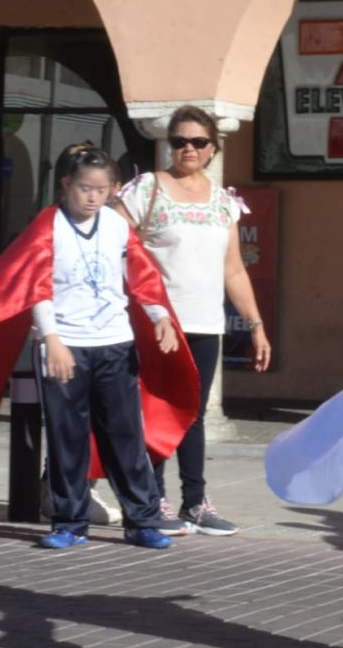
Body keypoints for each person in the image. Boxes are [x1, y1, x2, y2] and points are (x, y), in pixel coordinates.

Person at [114, 105, 270, 537]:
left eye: (198, 142)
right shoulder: (145, 190)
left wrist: (255, 325)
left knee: (194, 415)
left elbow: (234, 269)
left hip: (205, 322)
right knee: (157, 410)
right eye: (179, 141)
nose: (188, 149)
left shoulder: (224, 202)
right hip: (157, 322)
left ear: (213, 149)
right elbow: (118, 248)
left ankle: (196, 502)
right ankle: (153, 497)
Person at [35, 145, 181, 550]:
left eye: (102, 189)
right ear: (67, 185)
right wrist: (51, 338)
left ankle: (142, 520)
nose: (93, 197)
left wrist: (159, 316)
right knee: (68, 436)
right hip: (67, 344)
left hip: (114, 342)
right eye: (85, 188)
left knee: (124, 434)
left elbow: (140, 273)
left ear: (113, 189)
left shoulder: (116, 226)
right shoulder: (47, 226)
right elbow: (34, 285)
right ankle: (69, 521)